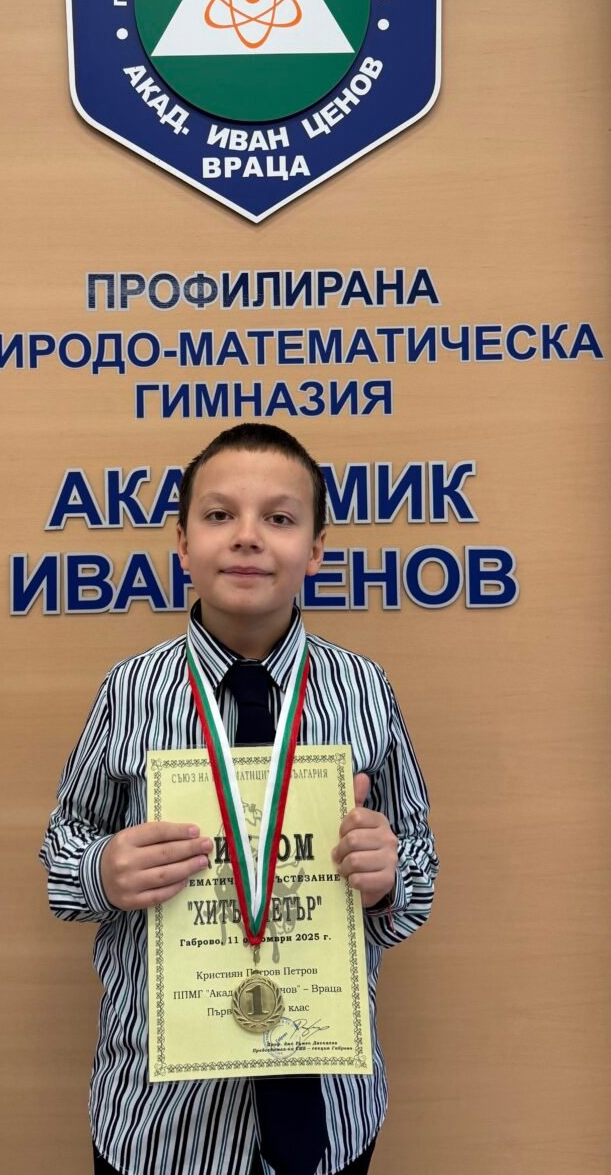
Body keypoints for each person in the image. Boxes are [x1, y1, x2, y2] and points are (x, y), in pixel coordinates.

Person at [40, 423, 438, 1175]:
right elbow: (62, 854)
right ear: (182, 543)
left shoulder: (364, 691)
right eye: (219, 514)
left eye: (279, 518)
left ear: (316, 550)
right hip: (161, 1124)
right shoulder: (130, 692)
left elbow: (420, 865)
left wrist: (389, 879)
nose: (247, 536)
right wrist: (103, 871)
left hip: (331, 1110)